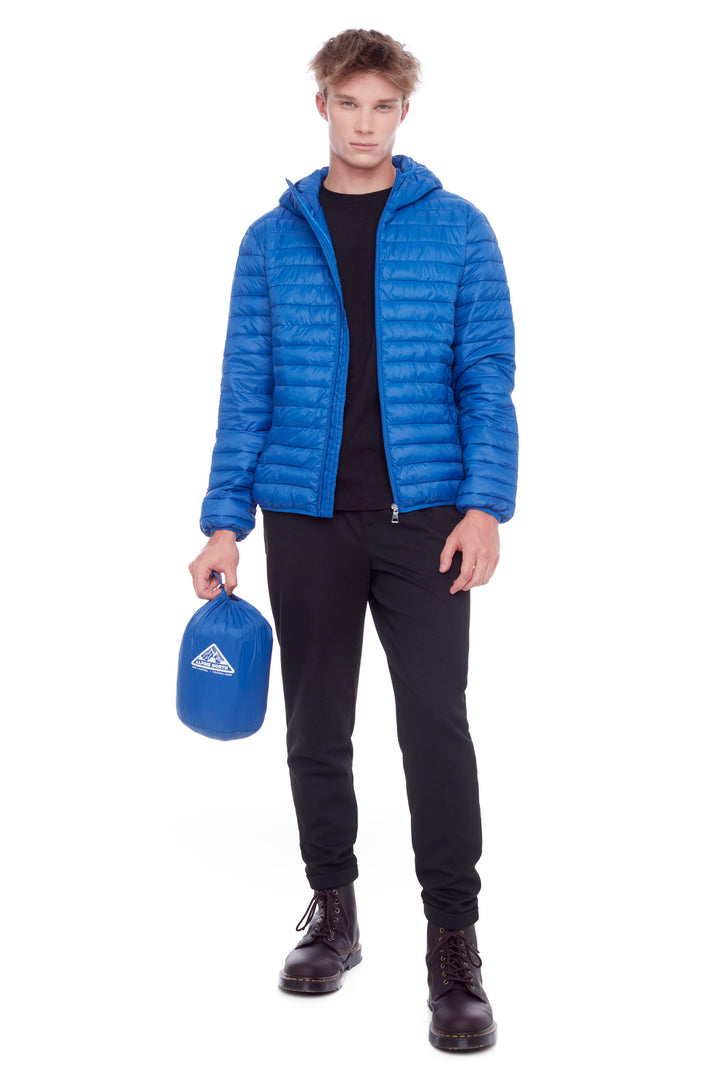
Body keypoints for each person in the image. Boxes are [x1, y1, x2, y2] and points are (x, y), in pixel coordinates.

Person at [188, 28, 517, 1052]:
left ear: (403, 113)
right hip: (305, 519)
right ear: (321, 105)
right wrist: (223, 521)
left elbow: (487, 376)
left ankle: (454, 946)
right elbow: (245, 387)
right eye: (348, 103)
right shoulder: (271, 240)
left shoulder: (459, 231)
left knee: (435, 728)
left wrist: (484, 505)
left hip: (429, 524)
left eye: (383, 106)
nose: (365, 123)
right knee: (316, 727)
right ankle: (333, 911)